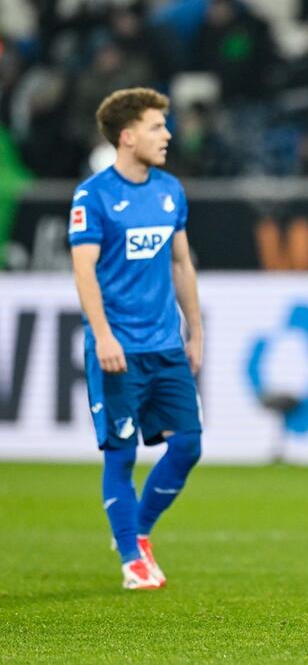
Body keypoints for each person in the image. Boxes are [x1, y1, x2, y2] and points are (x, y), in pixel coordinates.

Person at [69, 88, 204, 590]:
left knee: (188, 446)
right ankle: (131, 561)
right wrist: (102, 335)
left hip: (166, 345)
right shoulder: (93, 196)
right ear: (127, 137)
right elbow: (83, 270)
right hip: (119, 348)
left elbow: (181, 262)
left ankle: (137, 532)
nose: (167, 134)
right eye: (155, 126)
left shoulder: (170, 190)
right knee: (121, 455)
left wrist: (196, 328)